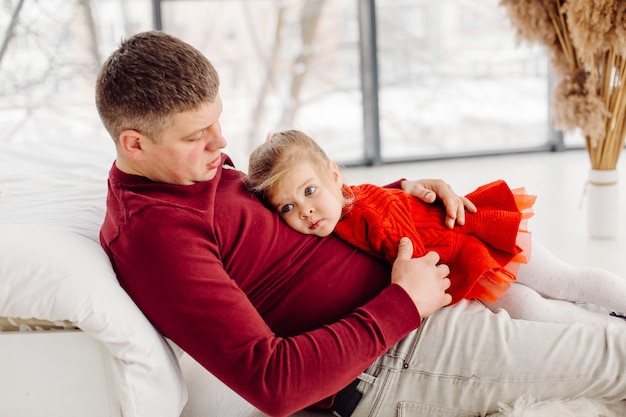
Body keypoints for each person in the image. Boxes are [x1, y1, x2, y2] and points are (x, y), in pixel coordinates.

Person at [96, 31, 626, 417]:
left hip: (420, 297)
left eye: (218, 121)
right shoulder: (155, 236)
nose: (222, 144)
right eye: (197, 135)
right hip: (394, 357)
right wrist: (403, 303)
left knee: (592, 316)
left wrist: (402, 201)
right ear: (135, 144)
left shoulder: (191, 173)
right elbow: (273, 383)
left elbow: (301, 222)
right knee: (614, 358)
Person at [247, 129, 626, 327]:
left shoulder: (359, 211)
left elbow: (405, 244)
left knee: (563, 279)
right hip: (465, 267)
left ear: (333, 175)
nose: (307, 211)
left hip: (473, 234)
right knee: (531, 309)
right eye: (288, 207)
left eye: (310, 191)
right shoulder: (344, 207)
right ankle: (611, 332)